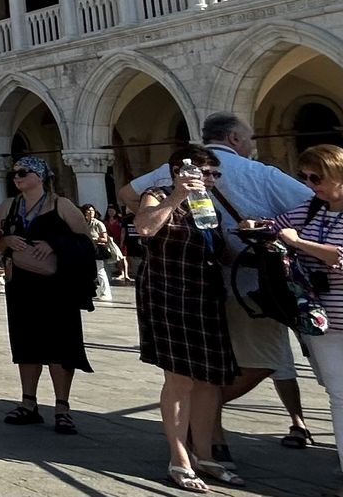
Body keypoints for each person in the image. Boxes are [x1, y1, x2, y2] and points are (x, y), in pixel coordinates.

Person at [120, 111, 315, 458]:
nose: (210, 179)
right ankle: (198, 432)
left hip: (211, 285)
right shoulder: (257, 172)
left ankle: (210, 439)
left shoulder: (188, 178)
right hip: (238, 288)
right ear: (235, 140)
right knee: (260, 360)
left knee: (214, 369)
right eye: (250, 138)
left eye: (212, 174)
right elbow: (313, 205)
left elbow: (125, 192)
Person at [133, 143, 241, 492]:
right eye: (204, 173)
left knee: (209, 378)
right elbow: (146, 229)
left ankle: (205, 455)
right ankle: (178, 459)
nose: (210, 180)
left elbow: (218, 251)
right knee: (180, 379)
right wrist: (176, 196)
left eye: (214, 174)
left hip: (206, 295)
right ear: (181, 172)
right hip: (170, 295)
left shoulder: (209, 203)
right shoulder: (158, 194)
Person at [0, 156, 92, 433]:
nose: (17, 176)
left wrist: (54, 244)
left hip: (56, 286)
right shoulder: (9, 207)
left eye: (23, 172)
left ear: (40, 176)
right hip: (21, 284)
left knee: (61, 344)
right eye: (14, 172)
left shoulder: (61, 205)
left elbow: (85, 241)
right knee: (27, 343)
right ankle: (28, 403)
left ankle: (62, 407)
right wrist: (5, 242)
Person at [273, 144, 343, 492]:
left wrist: (299, 244)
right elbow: (278, 228)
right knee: (339, 394)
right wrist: (257, 226)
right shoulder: (311, 210)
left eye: (317, 177)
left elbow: (339, 257)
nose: (310, 183)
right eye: (304, 176)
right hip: (322, 320)